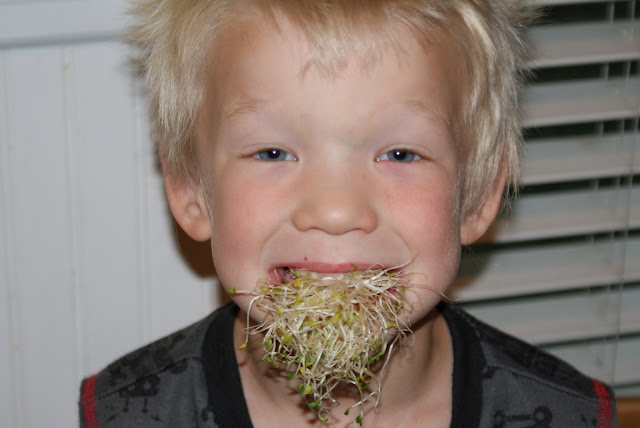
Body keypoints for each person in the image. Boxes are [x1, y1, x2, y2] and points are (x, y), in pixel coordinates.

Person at [79, 0, 618, 427]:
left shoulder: (563, 412)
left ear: (476, 197)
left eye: (400, 154)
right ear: (190, 190)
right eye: (273, 153)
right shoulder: (131, 412)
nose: (336, 212)